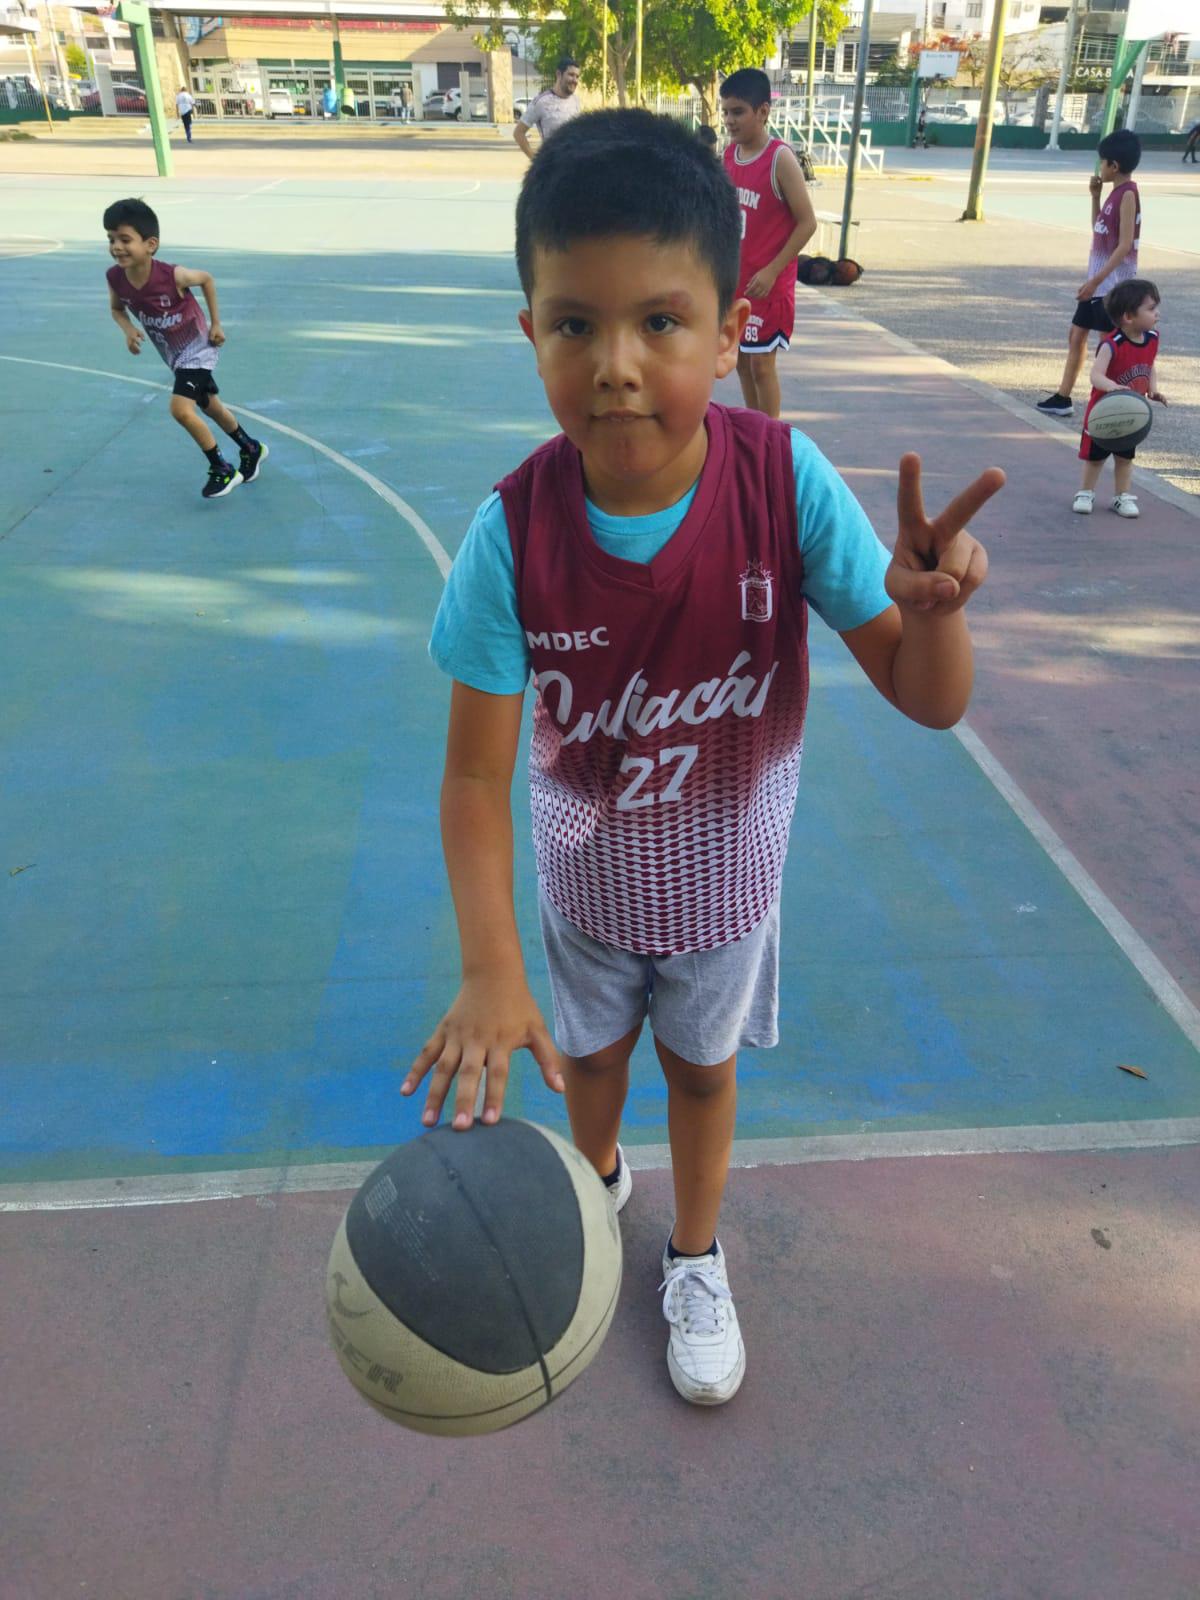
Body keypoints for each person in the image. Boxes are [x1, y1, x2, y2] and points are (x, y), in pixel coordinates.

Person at [403, 110, 1004, 1408]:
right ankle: (599, 1192)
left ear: (732, 332)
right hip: (588, 900)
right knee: (599, 1068)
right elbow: (470, 776)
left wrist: (940, 624)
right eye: (576, 323)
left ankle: (693, 1253)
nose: (617, 364)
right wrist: (489, 964)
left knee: (704, 1073)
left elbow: (925, 695)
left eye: (660, 322)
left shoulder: (785, 484)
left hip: (726, 898)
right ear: (532, 337)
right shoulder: (512, 535)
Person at [103, 197, 267, 500]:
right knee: (211, 406)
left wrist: (216, 324)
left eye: (125, 239)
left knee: (181, 409)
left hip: (198, 349)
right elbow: (117, 310)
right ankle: (251, 448)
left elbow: (205, 279)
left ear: (151, 244)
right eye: (111, 239)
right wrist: (128, 330)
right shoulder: (115, 277)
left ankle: (221, 468)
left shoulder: (172, 276)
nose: (116, 246)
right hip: (175, 356)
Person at [720, 67, 816, 419]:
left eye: (738, 112)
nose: (730, 120)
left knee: (762, 365)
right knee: (742, 363)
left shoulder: (780, 159)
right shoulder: (729, 156)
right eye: (726, 111)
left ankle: (771, 440)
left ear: (762, 111)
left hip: (768, 284)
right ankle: (754, 427)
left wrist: (773, 271)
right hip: (738, 280)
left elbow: (807, 223)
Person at [1036, 128, 1142, 418]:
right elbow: (1101, 229)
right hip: (1097, 282)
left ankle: (1113, 401)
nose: (1100, 167)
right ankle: (1063, 397)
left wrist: (1095, 282)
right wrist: (1095, 197)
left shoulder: (1128, 195)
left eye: (1102, 162)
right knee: (1076, 334)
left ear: (1114, 166)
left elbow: (1122, 246)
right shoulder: (1113, 193)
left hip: (1111, 287)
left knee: (1108, 345)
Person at [1072, 277, 1166, 520]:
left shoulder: (1153, 339)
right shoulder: (1111, 345)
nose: (1157, 313)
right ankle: (1085, 492)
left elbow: (1149, 365)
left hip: (1130, 414)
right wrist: (1113, 387)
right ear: (1128, 316)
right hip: (1104, 412)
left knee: (1125, 458)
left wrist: (1153, 389)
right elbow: (1095, 375)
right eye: (1151, 308)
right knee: (1095, 458)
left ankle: (1121, 496)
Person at [514, 57, 580, 161]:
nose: (575, 80)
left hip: (572, 165)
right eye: (571, 75)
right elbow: (518, 133)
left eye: (577, 76)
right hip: (552, 167)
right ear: (559, 74)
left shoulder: (575, 101)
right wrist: (536, 161)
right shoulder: (541, 102)